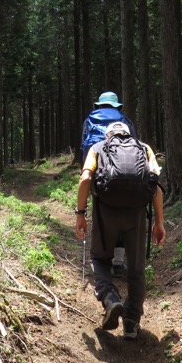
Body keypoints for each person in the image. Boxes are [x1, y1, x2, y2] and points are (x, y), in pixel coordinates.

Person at [74, 122, 166, 339]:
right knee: (136, 268)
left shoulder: (97, 148)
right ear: (128, 134)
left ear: (108, 135)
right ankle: (132, 322)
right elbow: (155, 186)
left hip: (105, 214)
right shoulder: (144, 148)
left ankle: (110, 299)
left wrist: (80, 213)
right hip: (136, 215)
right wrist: (159, 222)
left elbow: (86, 178)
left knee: (99, 259)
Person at [80, 91, 136, 277]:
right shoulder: (125, 120)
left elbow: (84, 149)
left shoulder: (89, 120)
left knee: (101, 213)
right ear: (116, 105)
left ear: (100, 105)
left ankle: (102, 261)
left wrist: (86, 173)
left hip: (97, 173)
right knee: (122, 211)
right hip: (125, 174)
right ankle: (118, 263)